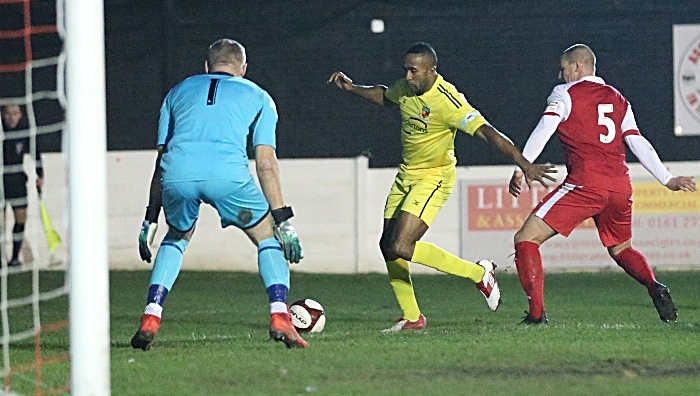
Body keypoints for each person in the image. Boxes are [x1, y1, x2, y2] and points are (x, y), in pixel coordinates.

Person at [328, 42, 555, 331]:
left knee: (401, 244)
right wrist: (353, 89)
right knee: (388, 247)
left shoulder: (448, 100)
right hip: (406, 175)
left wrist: (524, 162)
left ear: (431, 71)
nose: (407, 76)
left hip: (434, 177)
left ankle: (478, 274)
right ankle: (412, 317)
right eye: (405, 70)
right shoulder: (406, 87)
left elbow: (487, 132)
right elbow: (386, 96)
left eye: (413, 71)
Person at [132, 39, 308, 350]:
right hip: (228, 180)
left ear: (206, 66)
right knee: (268, 237)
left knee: (176, 236)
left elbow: (161, 160)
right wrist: (283, 218)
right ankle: (280, 315)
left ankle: (151, 315)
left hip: (178, 177)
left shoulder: (176, 92)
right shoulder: (259, 96)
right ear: (243, 69)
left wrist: (150, 217)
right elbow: (266, 162)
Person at [509, 44, 697, 324]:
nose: (561, 76)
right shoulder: (618, 98)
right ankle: (654, 285)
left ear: (577, 66)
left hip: (586, 184)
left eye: (563, 69)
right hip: (620, 186)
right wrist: (667, 179)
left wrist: (523, 165)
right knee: (621, 248)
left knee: (526, 238)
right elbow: (637, 140)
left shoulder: (564, 94)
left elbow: (545, 128)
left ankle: (537, 316)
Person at [1, 104, 44, 267]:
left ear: (20, 115)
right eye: (8, 114)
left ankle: (14, 258)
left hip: (17, 181)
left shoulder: (25, 132)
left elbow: (36, 153)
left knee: (21, 218)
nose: (12, 117)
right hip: (0, 182)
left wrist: (40, 175)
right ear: (3, 115)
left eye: (15, 113)